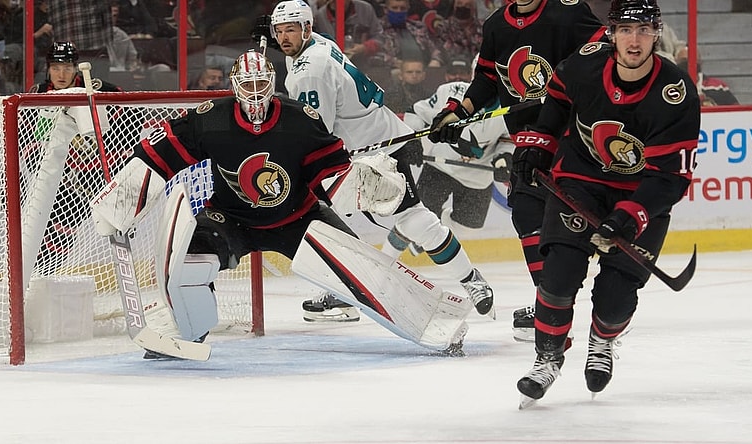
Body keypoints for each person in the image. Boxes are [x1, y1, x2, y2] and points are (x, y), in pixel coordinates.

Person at [90, 49, 470, 358]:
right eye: (248, 85)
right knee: (190, 264)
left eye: (261, 84)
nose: (255, 93)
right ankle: (183, 331)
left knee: (362, 269)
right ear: (235, 86)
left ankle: (433, 320)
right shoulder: (212, 119)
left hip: (299, 218)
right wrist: (123, 197)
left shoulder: (298, 120)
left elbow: (330, 173)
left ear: (272, 83)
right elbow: (160, 153)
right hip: (230, 218)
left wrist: (369, 186)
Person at [258, 0, 494, 322]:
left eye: (291, 30)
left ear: (307, 29)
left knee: (413, 221)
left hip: (375, 155)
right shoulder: (319, 44)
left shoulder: (309, 72)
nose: (284, 37)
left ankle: (470, 280)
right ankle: (347, 291)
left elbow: (317, 131)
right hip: (372, 143)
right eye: (279, 31)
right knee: (331, 219)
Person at [511, 0, 699, 406]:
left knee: (616, 300)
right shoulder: (585, 64)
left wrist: (631, 216)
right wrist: (539, 144)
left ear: (657, 33)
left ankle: (603, 339)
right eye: (626, 30)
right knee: (558, 278)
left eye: (644, 30)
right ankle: (548, 358)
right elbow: (558, 100)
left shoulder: (675, 93)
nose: (635, 40)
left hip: (640, 193)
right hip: (580, 183)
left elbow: (671, 176)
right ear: (612, 33)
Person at [427, 0, 605, 342]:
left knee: (567, 217)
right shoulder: (497, 25)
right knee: (526, 212)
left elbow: (604, 51)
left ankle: (569, 301)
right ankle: (549, 303)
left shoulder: (567, 11)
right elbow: (487, 78)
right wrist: (458, 113)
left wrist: (571, 86)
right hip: (529, 136)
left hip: (572, 133)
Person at [26, 41, 123, 275]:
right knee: (40, 222)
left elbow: (127, 118)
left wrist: (104, 151)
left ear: (76, 68)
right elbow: (28, 137)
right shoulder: (38, 94)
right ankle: (37, 272)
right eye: (56, 68)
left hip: (88, 174)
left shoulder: (97, 90)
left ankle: (46, 271)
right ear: (48, 69)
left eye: (67, 68)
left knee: (65, 219)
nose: (61, 74)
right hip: (52, 173)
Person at [404, 74, 514, 235]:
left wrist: (504, 158)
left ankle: (436, 226)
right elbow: (416, 112)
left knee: (467, 228)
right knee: (416, 216)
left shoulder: (509, 107)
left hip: (478, 177)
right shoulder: (451, 91)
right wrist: (412, 139)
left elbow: (508, 139)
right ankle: (393, 249)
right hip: (440, 167)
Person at [313, 0, 384, 68]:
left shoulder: (365, 9)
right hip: (335, 66)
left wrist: (364, 47)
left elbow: (380, 37)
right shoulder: (320, 16)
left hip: (366, 64)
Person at [380, 0, 444, 69]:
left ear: (408, 9)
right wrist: (395, 62)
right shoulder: (378, 29)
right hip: (392, 71)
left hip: (422, 70)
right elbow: (376, 55)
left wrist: (435, 60)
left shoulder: (418, 27)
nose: (399, 11)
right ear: (386, 9)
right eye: (394, 8)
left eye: (403, 8)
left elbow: (435, 49)